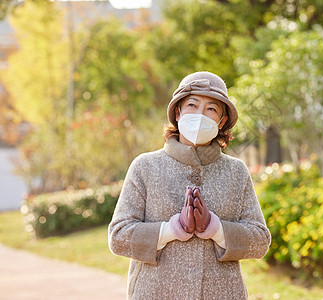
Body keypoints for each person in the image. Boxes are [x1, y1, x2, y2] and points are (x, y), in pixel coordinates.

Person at [108, 71, 271, 299]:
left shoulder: (236, 172)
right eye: (192, 105)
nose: (200, 114)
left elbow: (260, 241)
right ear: (178, 111)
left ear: (222, 121)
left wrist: (215, 228)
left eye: (211, 109)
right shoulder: (145, 167)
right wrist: (171, 230)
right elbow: (118, 236)